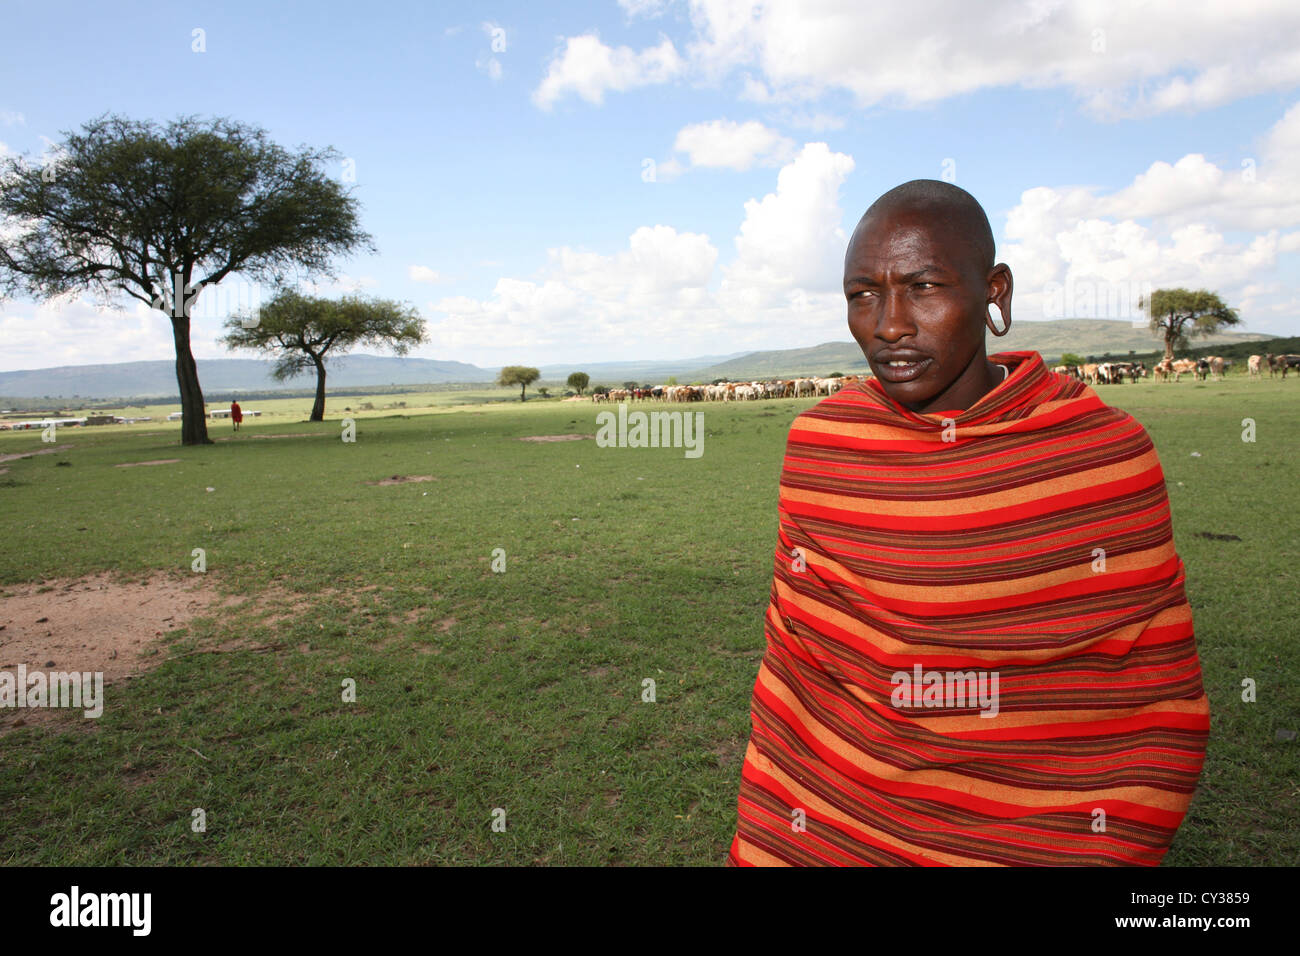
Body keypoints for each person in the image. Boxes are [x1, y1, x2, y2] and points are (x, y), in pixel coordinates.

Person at [727, 180, 1209, 866]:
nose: (889, 324)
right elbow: (798, 665)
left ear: (995, 293)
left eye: (923, 286)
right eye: (862, 294)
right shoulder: (824, 446)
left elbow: (1153, 687)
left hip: (1040, 840)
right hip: (831, 828)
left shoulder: (1100, 455)